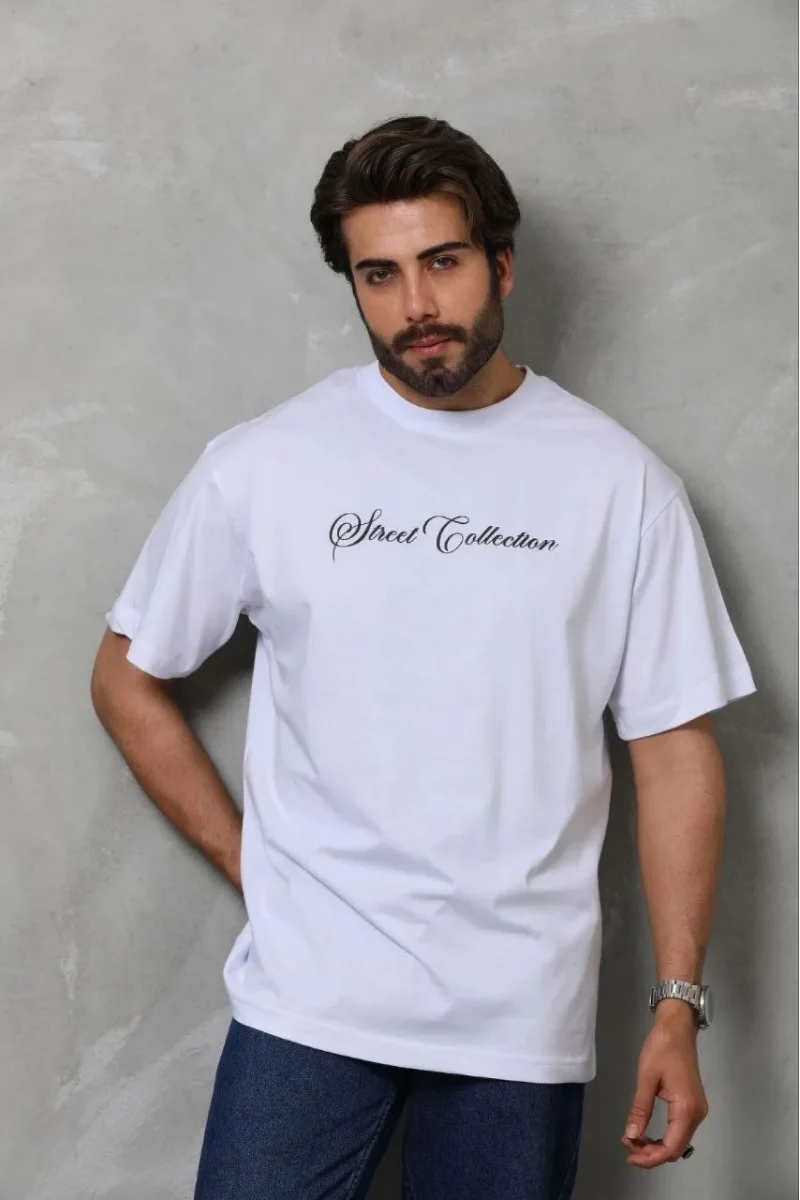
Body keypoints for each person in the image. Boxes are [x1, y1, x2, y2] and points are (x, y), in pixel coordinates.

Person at [90, 115, 756, 1199]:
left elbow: (674, 749)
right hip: (308, 1002)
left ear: (501, 264)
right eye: (379, 275)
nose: (415, 306)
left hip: (517, 1018)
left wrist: (676, 1004)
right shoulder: (265, 465)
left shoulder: (619, 487)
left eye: (442, 262)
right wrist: (254, 866)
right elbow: (126, 676)